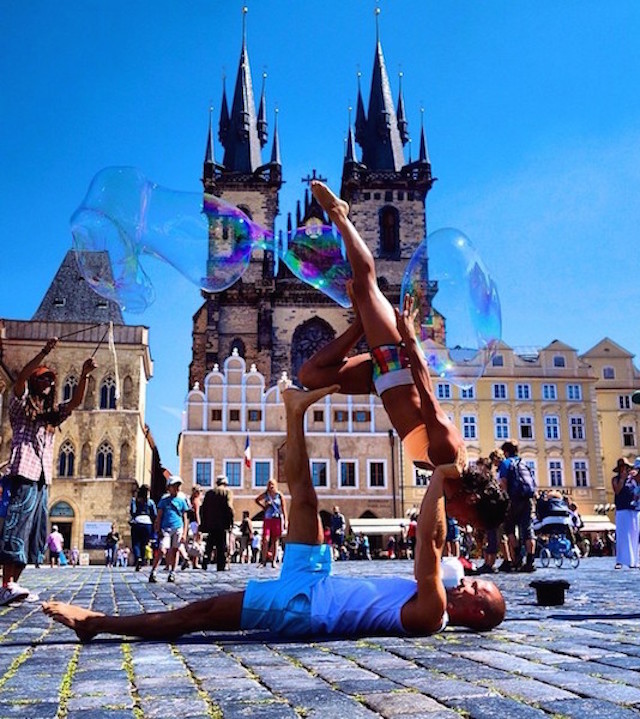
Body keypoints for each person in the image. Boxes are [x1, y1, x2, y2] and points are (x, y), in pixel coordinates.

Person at [42, 385, 506, 643]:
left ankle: (96, 623)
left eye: (479, 588)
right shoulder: (445, 594)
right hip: (318, 580)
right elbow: (443, 546)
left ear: (476, 611)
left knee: (197, 614)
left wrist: (440, 478)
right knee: (304, 498)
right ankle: (295, 410)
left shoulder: (431, 613)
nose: (471, 581)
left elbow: (428, 544)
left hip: (302, 607)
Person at [299, 181, 507, 530]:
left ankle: (360, 325)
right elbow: (427, 394)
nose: (465, 524)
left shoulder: (445, 473)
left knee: (309, 376)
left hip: (381, 382)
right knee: (366, 283)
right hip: (397, 362)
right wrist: (410, 339)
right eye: (472, 523)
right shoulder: (448, 455)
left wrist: (362, 324)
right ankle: (341, 216)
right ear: (474, 500)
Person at [0, 337, 95, 606]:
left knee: (32, 532)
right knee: (16, 527)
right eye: (43, 379)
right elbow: (19, 382)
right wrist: (44, 352)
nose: (48, 383)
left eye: (51, 380)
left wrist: (84, 375)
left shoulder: (51, 417)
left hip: (42, 477)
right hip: (23, 471)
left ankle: (14, 584)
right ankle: (6, 584)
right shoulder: (20, 407)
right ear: (33, 382)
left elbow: (74, 402)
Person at [498, 441, 536, 573]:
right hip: (527, 499)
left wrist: (504, 498)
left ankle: (518, 558)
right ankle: (530, 561)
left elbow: (503, 482)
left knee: (509, 529)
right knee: (528, 529)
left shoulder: (506, 463)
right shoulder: (524, 463)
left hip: (513, 500)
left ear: (506, 452)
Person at [149, 476, 189, 583]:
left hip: (178, 527)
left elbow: (185, 518)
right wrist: (157, 527)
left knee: (175, 550)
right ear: (169, 487)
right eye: (174, 486)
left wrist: (185, 533)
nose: (177, 488)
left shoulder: (181, 501)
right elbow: (159, 516)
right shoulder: (164, 501)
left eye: (178, 486)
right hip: (165, 528)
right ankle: (153, 571)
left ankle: (172, 572)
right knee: (162, 549)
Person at [200, 475, 235, 571]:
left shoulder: (209, 493)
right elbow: (229, 507)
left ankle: (205, 560)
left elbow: (203, 509)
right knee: (221, 545)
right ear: (226, 483)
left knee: (209, 544)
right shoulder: (227, 492)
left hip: (211, 523)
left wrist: (204, 523)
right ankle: (221, 565)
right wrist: (231, 521)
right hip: (222, 524)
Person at [612, 457, 639, 569]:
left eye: (626, 467)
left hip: (634, 508)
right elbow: (617, 491)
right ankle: (621, 560)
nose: (625, 469)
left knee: (634, 535)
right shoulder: (616, 479)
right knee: (623, 535)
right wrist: (622, 480)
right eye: (623, 467)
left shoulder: (633, 479)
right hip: (622, 509)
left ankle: (634, 560)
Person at [255, 478, 287, 568]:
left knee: (275, 540)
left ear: (275, 485)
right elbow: (257, 500)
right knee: (265, 539)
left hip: (277, 519)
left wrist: (285, 521)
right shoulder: (266, 495)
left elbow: (284, 509)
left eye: (272, 484)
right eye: (269, 484)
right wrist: (264, 507)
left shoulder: (279, 495)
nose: (271, 486)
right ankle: (263, 561)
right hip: (268, 519)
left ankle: (273, 561)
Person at [129, 485, 157, 571]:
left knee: (136, 542)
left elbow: (133, 511)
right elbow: (154, 514)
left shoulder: (135, 500)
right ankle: (142, 559)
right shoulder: (150, 502)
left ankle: (138, 558)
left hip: (137, 522)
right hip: (147, 523)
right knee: (144, 543)